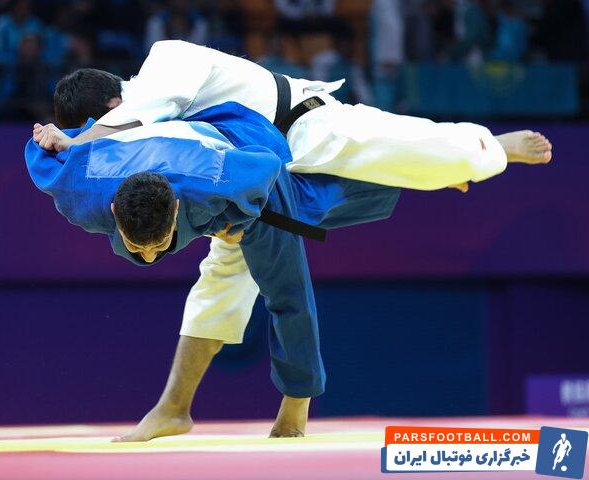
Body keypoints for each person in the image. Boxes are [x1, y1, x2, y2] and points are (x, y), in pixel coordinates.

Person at [33, 40, 552, 442]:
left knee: (393, 143)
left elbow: (139, 114)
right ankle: (173, 408)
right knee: (220, 280)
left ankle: (488, 148)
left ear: (111, 104)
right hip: (248, 178)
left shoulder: (165, 62)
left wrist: (77, 141)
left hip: (304, 125)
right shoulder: (140, 139)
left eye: (100, 129)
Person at [27, 101, 401, 438]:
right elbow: (38, 149)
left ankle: (295, 408)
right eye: (138, 246)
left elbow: (268, 161)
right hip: (172, 152)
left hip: (239, 139)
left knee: (288, 281)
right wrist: (65, 136)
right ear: (113, 211)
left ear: (176, 208)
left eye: (159, 244)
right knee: (225, 277)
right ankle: (173, 410)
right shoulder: (77, 188)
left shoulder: (216, 179)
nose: (150, 257)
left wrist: (241, 216)